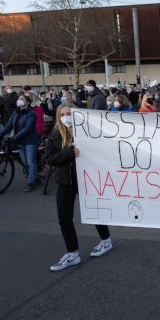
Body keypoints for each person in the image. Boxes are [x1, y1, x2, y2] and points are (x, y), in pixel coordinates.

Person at [45, 103, 113, 271]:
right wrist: (68, 153)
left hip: (86, 179)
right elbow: (49, 159)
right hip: (65, 181)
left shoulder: (87, 132)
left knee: (94, 211)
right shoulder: (54, 136)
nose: (66, 116)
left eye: (69, 113)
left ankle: (106, 240)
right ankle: (73, 253)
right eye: (63, 114)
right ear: (58, 117)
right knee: (64, 217)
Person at [0, 94, 40, 192]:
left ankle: (31, 183)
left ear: (27, 103)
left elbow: (27, 129)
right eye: (18, 99)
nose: (18, 100)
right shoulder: (15, 113)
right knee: (25, 162)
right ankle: (34, 176)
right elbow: (8, 127)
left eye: (21, 99)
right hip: (19, 141)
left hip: (30, 141)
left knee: (30, 162)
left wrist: (14, 137)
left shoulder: (31, 113)